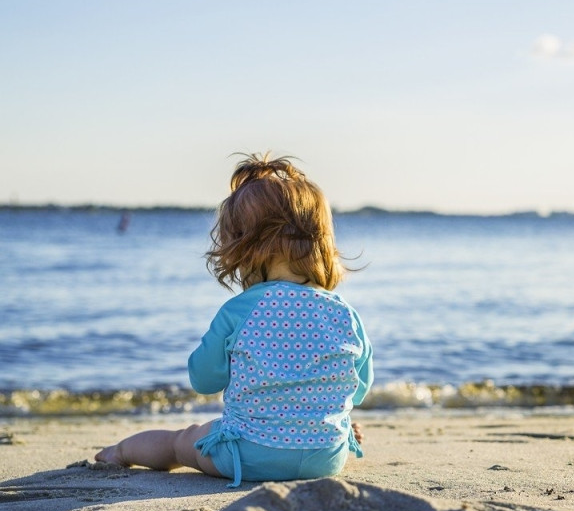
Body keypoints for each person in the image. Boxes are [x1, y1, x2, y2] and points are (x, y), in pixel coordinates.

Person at [96, 153, 373, 487]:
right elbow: (358, 389)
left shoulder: (240, 310)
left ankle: (121, 452)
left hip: (247, 456)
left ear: (242, 247)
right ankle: (317, 438)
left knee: (183, 441)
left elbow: (203, 380)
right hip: (327, 456)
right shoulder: (344, 312)